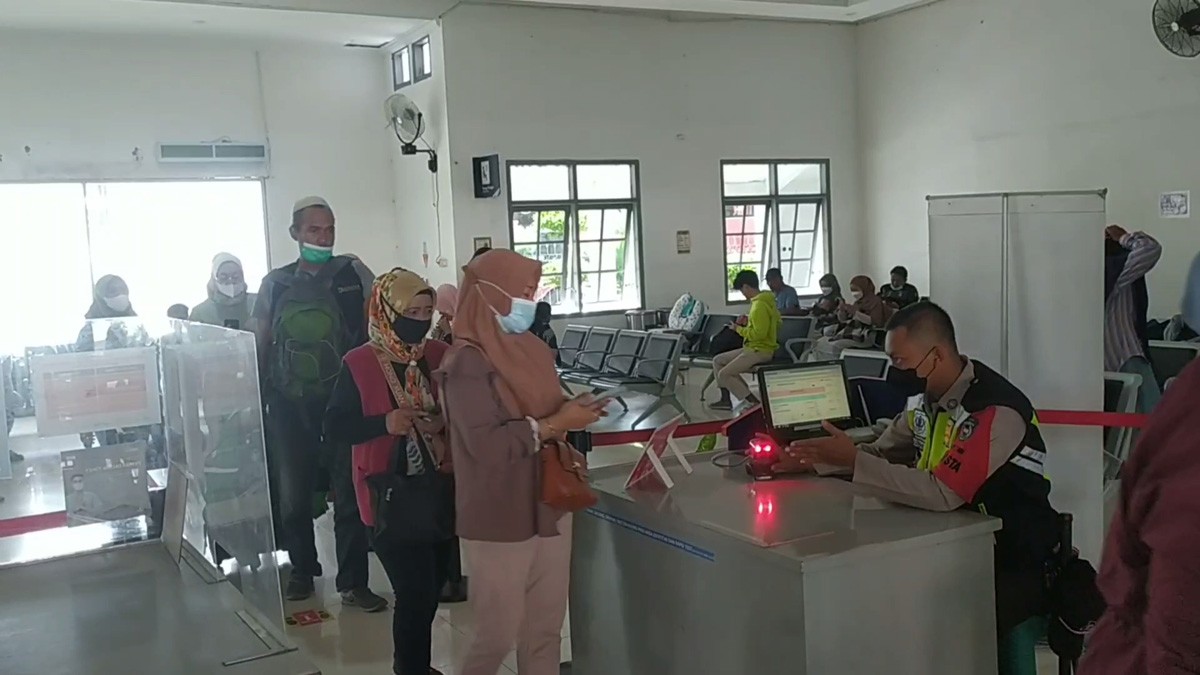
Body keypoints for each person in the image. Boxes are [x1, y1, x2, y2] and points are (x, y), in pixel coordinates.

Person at [776, 302, 1059, 666]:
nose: (895, 371)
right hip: (948, 541)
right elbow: (882, 451)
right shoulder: (925, 403)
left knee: (992, 644)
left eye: (900, 361)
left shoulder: (992, 410)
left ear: (936, 355)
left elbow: (944, 491)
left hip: (1012, 553)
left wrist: (854, 461)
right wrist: (814, 458)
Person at [438, 249, 604, 675]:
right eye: (523, 292)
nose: (530, 302)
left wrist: (573, 409)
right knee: (496, 636)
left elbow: (546, 407)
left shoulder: (531, 350)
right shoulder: (465, 363)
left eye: (533, 292)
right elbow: (486, 446)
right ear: (490, 294)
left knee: (544, 631)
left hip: (549, 499)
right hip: (499, 510)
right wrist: (556, 423)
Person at [251, 195, 385, 609]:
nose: (323, 238)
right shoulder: (275, 283)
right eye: (314, 230)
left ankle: (354, 582)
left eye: (329, 230)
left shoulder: (353, 273)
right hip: (289, 404)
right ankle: (302, 570)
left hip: (344, 401)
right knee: (293, 494)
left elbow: (379, 324)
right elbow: (260, 339)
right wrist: (256, 397)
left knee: (349, 495)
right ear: (295, 233)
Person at [324, 269, 452, 675]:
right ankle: (410, 668)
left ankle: (416, 665)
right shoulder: (359, 363)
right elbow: (335, 426)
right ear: (387, 311)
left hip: (438, 486)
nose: (421, 320)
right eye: (411, 312)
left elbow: (462, 407)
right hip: (388, 494)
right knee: (414, 590)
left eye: (428, 311)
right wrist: (385, 423)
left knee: (432, 587)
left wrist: (442, 421)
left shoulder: (438, 355)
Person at [1105, 225, 1163, 413]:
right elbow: (1150, 248)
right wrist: (1123, 237)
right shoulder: (1115, 271)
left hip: (1100, 361)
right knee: (1152, 417)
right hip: (1124, 354)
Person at [709, 269, 780, 410]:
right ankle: (726, 400)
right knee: (718, 360)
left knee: (724, 374)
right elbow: (773, 324)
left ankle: (753, 403)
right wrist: (748, 324)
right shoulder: (765, 301)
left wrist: (738, 329)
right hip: (753, 347)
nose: (743, 294)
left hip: (760, 350)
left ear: (746, 286)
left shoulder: (759, 306)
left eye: (742, 290)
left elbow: (759, 334)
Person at [806, 275, 890, 361]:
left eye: (856, 290)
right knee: (820, 342)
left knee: (834, 346)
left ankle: (835, 365)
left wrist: (855, 313)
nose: (854, 293)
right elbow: (844, 320)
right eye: (852, 290)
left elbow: (874, 322)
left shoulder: (876, 302)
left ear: (864, 288)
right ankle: (824, 365)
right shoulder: (857, 302)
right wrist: (841, 311)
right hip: (852, 330)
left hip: (866, 335)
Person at [190, 253, 257, 330]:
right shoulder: (200, 313)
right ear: (214, 280)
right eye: (224, 277)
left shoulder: (257, 303)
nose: (230, 281)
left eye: (235, 276)